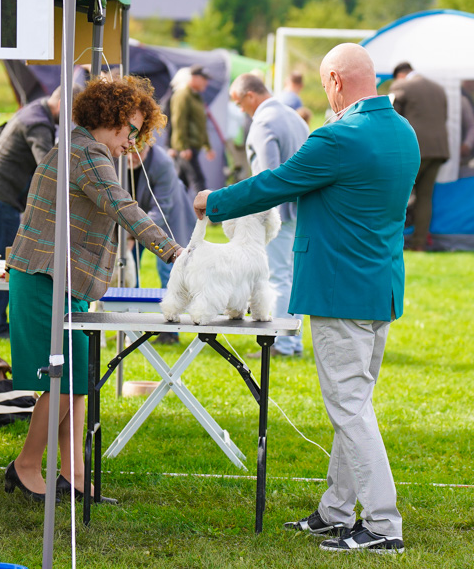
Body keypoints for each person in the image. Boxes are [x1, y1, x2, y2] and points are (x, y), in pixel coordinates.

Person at [193, 43, 419, 554]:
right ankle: (336, 511)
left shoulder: (338, 137)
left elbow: (276, 183)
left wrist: (214, 201)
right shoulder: (403, 131)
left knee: (350, 409)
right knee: (353, 405)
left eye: (324, 86)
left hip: (341, 290)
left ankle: (383, 524)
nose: (324, 95)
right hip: (379, 288)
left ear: (336, 81)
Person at [4, 76, 182, 503]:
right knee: (63, 383)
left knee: (77, 381)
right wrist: (175, 253)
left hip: (66, 282)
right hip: (44, 278)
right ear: (111, 119)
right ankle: (26, 466)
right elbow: (122, 206)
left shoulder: (83, 148)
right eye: (131, 131)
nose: (133, 143)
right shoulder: (86, 152)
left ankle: (75, 476)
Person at [0, 86, 72, 339]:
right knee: (5, 264)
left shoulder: (29, 111)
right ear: (62, 104)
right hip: (2, 197)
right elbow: (47, 165)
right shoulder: (38, 123)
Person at [229, 73, 309, 358]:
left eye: (240, 104)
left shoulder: (263, 122)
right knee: (293, 276)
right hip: (302, 209)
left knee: (278, 277)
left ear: (250, 96)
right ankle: (293, 341)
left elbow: (268, 178)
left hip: (278, 213)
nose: (241, 110)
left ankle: (283, 344)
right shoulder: (294, 117)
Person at [126, 143, 196, 345]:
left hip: (168, 217)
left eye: (139, 151)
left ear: (149, 145)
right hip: (133, 220)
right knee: (128, 270)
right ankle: (132, 327)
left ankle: (170, 330)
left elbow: (161, 208)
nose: (132, 157)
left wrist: (132, 236)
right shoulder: (116, 157)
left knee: (170, 272)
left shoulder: (163, 162)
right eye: (129, 152)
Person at [389, 62, 449, 251]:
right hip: (439, 150)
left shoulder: (401, 86)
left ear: (400, 75)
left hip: (414, 150)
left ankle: (392, 241)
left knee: (399, 193)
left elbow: (392, 118)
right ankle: (419, 244)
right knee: (425, 197)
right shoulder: (439, 89)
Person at [169, 64, 216, 193]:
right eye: (204, 78)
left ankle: (173, 211)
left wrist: (207, 146)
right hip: (187, 147)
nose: (207, 82)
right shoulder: (182, 94)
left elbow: (201, 124)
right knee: (198, 181)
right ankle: (207, 212)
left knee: (182, 183)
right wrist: (183, 147)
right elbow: (179, 121)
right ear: (194, 78)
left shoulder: (197, 97)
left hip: (193, 147)